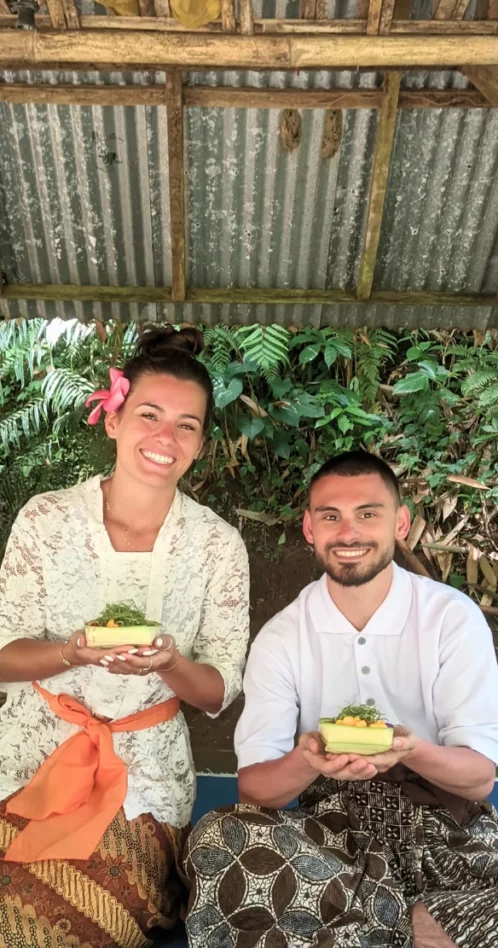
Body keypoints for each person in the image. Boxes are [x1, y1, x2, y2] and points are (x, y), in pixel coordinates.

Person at [185, 450, 498, 948]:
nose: (348, 533)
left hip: (446, 833)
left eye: (367, 514)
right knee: (218, 838)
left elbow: (480, 778)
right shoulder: (282, 637)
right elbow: (256, 789)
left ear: (400, 522)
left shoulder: (451, 619)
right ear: (310, 528)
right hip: (327, 839)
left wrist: (409, 749)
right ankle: (418, 926)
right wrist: (310, 760)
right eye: (331, 516)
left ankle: (375, 927)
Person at [0, 325, 250, 948]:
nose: (166, 438)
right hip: (27, 762)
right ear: (112, 420)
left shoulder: (217, 545)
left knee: (50, 925)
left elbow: (217, 691)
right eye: (149, 414)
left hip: (143, 784)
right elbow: (3, 659)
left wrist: (169, 663)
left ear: (200, 442)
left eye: (187, 425)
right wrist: (70, 653)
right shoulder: (47, 518)